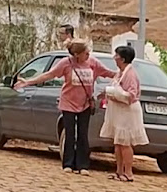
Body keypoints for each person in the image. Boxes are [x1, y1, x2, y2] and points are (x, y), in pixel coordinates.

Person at [15, 39, 116, 174]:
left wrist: (125, 74)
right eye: (86, 53)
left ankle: (83, 165)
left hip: (85, 103)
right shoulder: (66, 63)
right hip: (68, 102)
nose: (88, 55)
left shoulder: (92, 63)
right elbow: (49, 74)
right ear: (77, 54)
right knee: (70, 133)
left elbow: (108, 73)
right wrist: (28, 82)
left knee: (83, 134)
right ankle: (68, 163)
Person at [100, 45, 149, 182]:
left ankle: (128, 172)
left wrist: (112, 92)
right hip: (118, 112)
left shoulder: (130, 75)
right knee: (118, 143)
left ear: (122, 59)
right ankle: (119, 171)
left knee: (125, 142)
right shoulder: (120, 73)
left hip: (127, 112)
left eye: (116, 55)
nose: (114, 58)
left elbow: (131, 96)